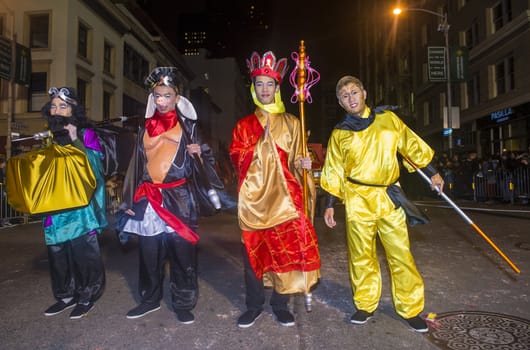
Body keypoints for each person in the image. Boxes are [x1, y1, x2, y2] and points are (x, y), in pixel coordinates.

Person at [321, 76, 444, 333]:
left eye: (354, 92)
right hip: (357, 199)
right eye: (345, 96)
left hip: (389, 197)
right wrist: (330, 203)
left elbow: (410, 146)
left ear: (364, 92)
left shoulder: (388, 120)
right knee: (361, 256)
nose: (351, 98)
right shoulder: (340, 133)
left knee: (400, 254)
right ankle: (365, 304)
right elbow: (333, 170)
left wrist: (432, 171)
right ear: (340, 103)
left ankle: (410, 309)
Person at [229, 51, 321, 328]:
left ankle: (280, 304)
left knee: (285, 253)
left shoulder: (293, 123)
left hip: (287, 200)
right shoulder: (244, 126)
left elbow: (297, 161)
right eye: (259, 84)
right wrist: (260, 145)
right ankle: (254, 305)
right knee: (254, 254)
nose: (265, 89)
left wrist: (304, 162)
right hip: (255, 199)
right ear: (253, 89)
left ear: (277, 88)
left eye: (269, 84)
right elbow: (236, 157)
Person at [120, 67, 205, 324]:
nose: (161, 101)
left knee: (181, 254)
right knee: (149, 254)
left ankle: (183, 302)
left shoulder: (189, 127)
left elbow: (203, 165)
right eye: (157, 96)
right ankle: (149, 300)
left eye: (166, 95)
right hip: (149, 197)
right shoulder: (144, 127)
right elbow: (136, 164)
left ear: (176, 98)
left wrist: (198, 154)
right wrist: (128, 199)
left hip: (178, 197)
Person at [41, 87, 108, 319]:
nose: (57, 109)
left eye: (63, 105)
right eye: (54, 105)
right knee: (57, 252)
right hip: (55, 205)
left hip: (80, 207)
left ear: (73, 109)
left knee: (84, 253)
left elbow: (97, 166)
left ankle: (87, 295)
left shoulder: (86, 132)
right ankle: (65, 296)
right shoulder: (48, 134)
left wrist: (75, 139)